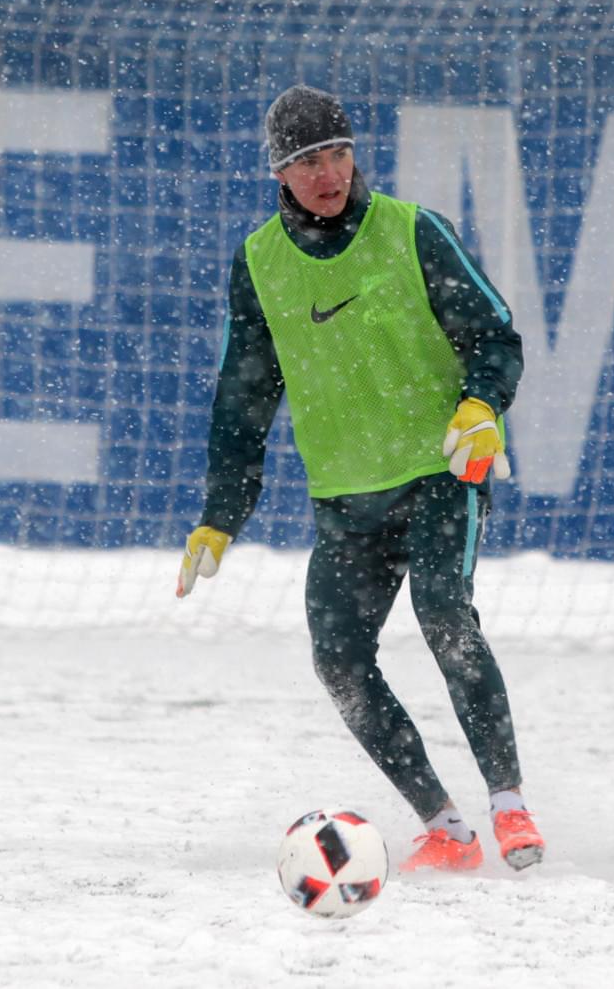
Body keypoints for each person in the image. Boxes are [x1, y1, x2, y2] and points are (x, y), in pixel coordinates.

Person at [175, 85, 544, 874]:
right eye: (307, 160)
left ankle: (510, 806)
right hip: (345, 496)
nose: (328, 172)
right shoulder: (259, 263)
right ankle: (444, 825)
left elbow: (497, 337)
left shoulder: (414, 231)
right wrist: (219, 514)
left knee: (445, 615)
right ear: (278, 171)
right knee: (338, 659)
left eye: (338, 152)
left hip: (442, 471)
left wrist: (480, 404)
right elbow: (242, 398)